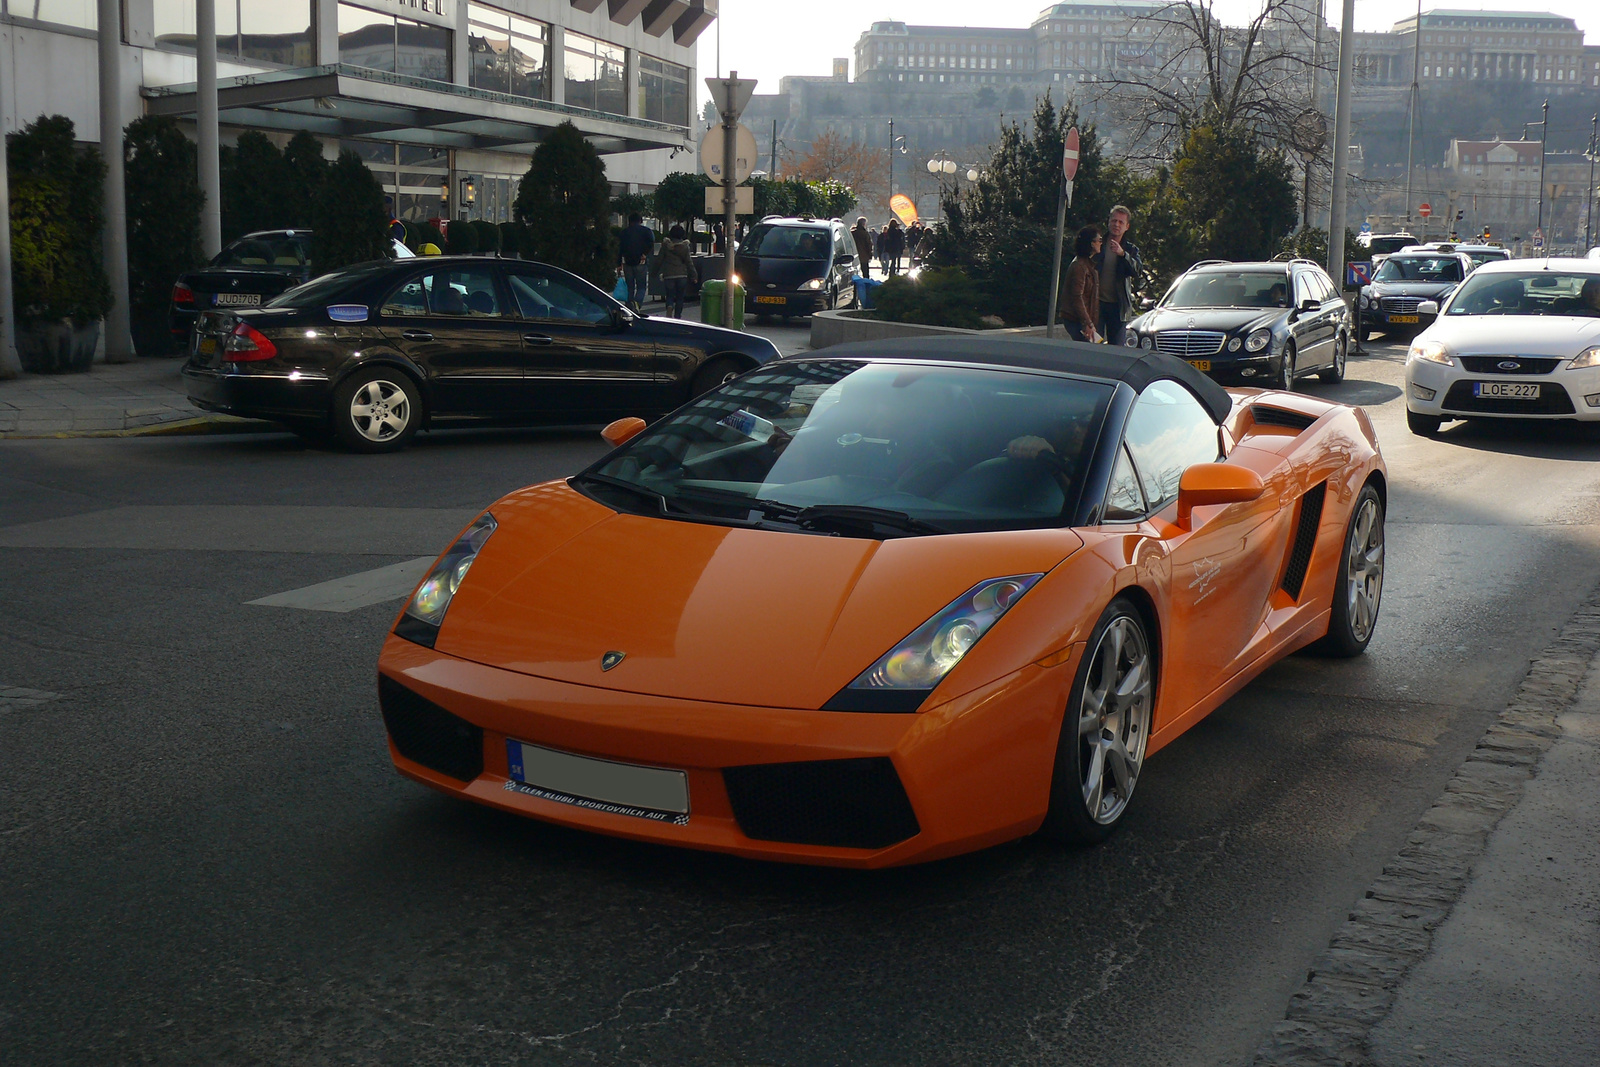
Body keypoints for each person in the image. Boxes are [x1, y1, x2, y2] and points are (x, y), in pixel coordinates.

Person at [1094, 204, 1143, 346]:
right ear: (1108, 222)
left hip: (1118, 307)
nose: (1116, 224)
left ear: (1127, 226)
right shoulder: (1098, 244)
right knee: (1094, 345)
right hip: (1096, 304)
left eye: (1121, 222)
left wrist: (1123, 255)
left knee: (1117, 349)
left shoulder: (1130, 249)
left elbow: (1137, 271)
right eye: (1114, 221)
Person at [1061, 225, 1102, 344]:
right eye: (1099, 240)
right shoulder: (1079, 266)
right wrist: (1087, 323)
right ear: (1091, 243)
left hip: (1082, 320)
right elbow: (1077, 297)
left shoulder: (1088, 265)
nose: (1101, 243)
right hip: (1076, 320)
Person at [617, 212, 654, 311]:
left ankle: (629, 308)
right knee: (641, 287)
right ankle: (637, 304)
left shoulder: (624, 232)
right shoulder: (646, 231)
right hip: (641, 262)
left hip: (627, 263)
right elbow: (651, 242)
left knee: (630, 287)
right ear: (640, 221)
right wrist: (644, 254)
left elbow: (619, 249)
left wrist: (618, 264)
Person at [659, 224, 695, 318]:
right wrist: (694, 275)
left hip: (669, 275)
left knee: (669, 295)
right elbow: (689, 262)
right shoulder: (685, 247)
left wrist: (654, 272)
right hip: (682, 275)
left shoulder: (665, 246)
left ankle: (670, 306)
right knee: (680, 297)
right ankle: (677, 316)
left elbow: (659, 259)